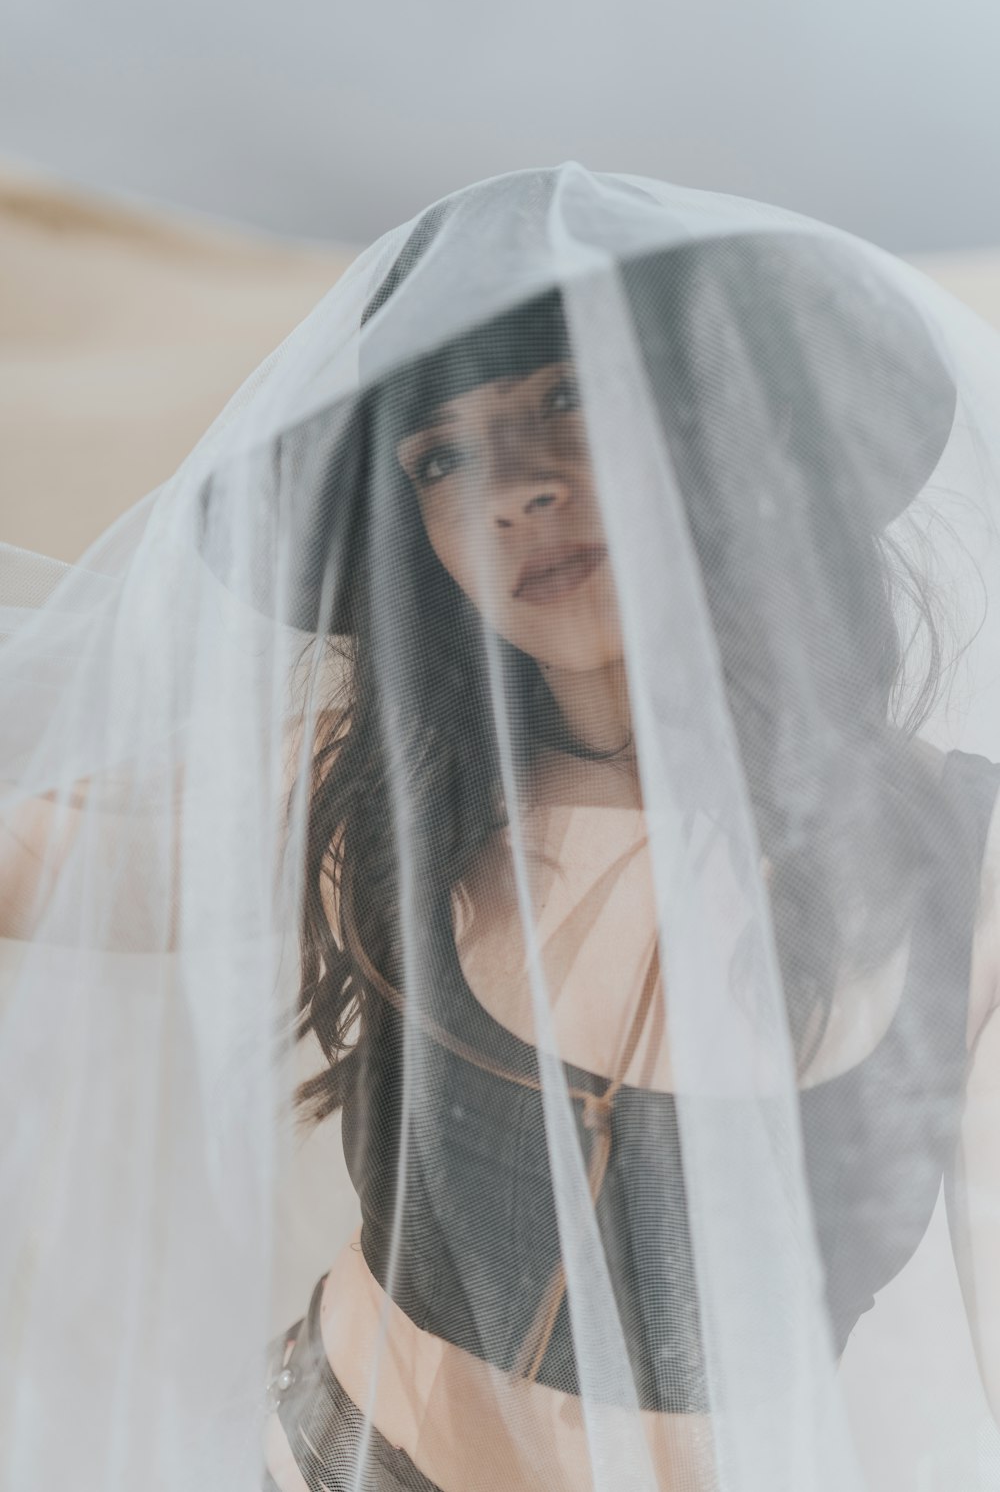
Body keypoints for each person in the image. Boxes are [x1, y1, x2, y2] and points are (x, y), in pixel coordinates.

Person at [4, 164, 1000, 1492]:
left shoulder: (963, 858)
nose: (518, 486)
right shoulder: (386, 797)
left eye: (569, 395)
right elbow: (44, 861)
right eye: (441, 455)